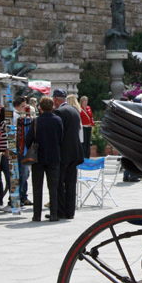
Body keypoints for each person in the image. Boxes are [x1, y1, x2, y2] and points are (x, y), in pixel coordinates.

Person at [26, 96, 62, 222]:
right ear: (52, 107)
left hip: (38, 158)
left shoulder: (36, 121)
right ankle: (53, 214)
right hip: (54, 157)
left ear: (40, 107)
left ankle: (36, 215)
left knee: (37, 187)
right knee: (53, 187)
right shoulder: (58, 120)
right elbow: (61, 138)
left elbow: (28, 139)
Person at [53, 89, 84, 220]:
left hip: (64, 153)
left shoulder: (59, 112)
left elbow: (57, 134)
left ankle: (60, 211)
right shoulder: (74, 110)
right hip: (75, 152)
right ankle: (70, 211)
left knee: (60, 183)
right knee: (71, 183)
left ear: (55, 99)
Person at [12, 96, 32, 206]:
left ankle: (23, 196)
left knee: (25, 173)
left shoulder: (24, 117)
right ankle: (20, 196)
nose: (25, 108)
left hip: (23, 148)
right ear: (17, 107)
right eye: (23, 106)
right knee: (22, 173)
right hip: (19, 148)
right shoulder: (15, 117)